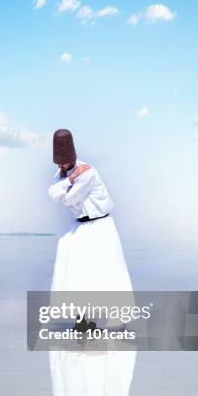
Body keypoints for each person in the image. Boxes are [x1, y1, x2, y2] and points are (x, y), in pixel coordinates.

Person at [48, 128, 133, 331]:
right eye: (58, 163)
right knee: (76, 269)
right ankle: (83, 318)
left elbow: (69, 199)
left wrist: (65, 187)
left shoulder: (87, 173)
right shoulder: (65, 173)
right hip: (81, 225)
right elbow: (52, 192)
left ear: (72, 157)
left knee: (101, 272)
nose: (60, 167)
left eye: (63, 162)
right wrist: (68, 180)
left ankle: (108, 320)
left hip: (99, 226)